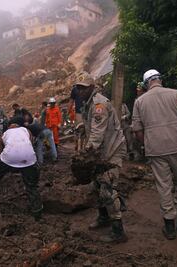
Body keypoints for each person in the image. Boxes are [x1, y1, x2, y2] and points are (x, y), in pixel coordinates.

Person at [132, 69, 177, 240]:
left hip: (155, 149)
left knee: (164, 185)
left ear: (146, 84)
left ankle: (169, 226)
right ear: (160, 79)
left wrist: (147, 142)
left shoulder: (140, 101)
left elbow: (137, 130)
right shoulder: (176, 94)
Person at [76, 72, 128, 243]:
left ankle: (118, 231)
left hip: (111, 151)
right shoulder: (89, 103)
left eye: (83, 88)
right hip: (101, 151)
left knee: (107, 188)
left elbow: (98, 134)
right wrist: (83, 126)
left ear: (91, 87)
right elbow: (94, 126)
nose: (80, 91)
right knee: (97, 185)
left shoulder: (99, 105)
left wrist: (85, 155)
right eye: (78, 88)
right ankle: (104, 217)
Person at [0, 118, 43, 221]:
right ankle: (37, 213)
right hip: (28, 159)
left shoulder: (6, 133)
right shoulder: (26, 130)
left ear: (10, 126)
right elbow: (31, 144)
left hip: (8, 158)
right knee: (31, 186)